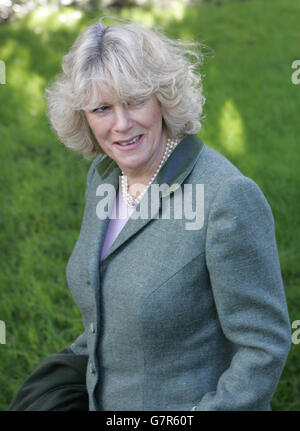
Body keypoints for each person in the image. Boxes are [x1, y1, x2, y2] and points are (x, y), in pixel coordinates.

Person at [9, 17, 291, 411]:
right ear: (83, 116)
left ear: (164, 96)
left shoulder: (226, 198)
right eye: (102, 108)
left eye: (136, 101)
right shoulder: (105, 177)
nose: (122, 125)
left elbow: (263, 346)